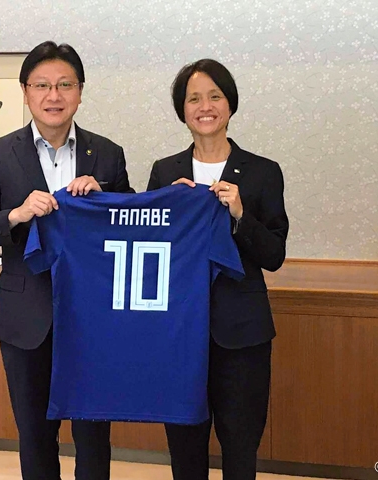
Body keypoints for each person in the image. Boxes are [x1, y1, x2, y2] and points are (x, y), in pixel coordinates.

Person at [0, 41, 134, 480]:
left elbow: (134, 224)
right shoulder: (0, 153)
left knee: (94, 433)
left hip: (92, 317)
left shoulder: (107, 154)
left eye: (64, 85)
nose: (53, 95)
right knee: (35, 432)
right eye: (42, 85)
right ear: (25, 92)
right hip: (27, 316)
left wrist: (108, 199)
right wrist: (17, 214)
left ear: (80, 91)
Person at [147, 59, 289, 480]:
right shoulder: (164, 172)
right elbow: (152, 254)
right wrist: (164, 211)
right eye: (193, 98)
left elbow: (274, 255)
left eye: (215, 96)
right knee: (185, 449)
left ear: (230, 105)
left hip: (242, 333)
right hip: (181, 333)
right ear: (182, 110)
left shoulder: (263, 172)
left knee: (240, 446)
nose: (204, 106)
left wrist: (241, 214)